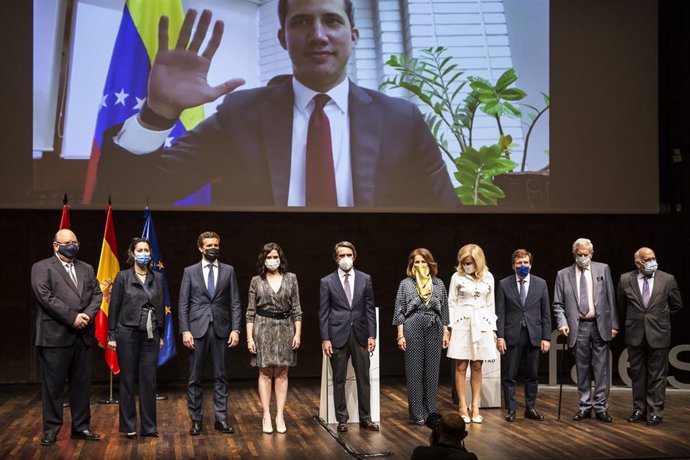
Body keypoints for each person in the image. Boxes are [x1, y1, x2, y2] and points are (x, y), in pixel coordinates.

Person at [94, 0, 458, 209]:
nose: (318, 35)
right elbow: (134, 195)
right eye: (302, 22)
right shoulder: (242, 115)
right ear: (283, 38)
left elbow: (446, 217)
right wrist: (157, 114)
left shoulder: (402, 120)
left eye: (332, 20)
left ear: (353, 35)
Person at [30, 229, 103, 446]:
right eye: (67, 242)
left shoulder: (87, 268)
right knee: (53, 386)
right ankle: (51, 429)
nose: (72, 245)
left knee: (81, 386)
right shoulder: (42, 267)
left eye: (75, 242)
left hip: (83, 336)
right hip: (54, 337)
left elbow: (97, 294)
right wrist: (73, 317)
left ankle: (81, 427)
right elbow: (45, 296)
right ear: (55, 245)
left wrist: (87, 316)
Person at [178, 231, 242, 435]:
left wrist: (236, 328)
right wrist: (185, 330)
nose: (213, 248)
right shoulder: (190, 271)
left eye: (216, 244)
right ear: (200, 248)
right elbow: (183, 304)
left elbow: (235, 302)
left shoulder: (228, 270)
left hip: (221, 329)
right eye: (209, 245)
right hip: (197, 330)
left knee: (221, 376)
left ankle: (221, 419)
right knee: (195, 377)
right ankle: (196, 420)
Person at [553, 237, 618, 423]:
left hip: (600, 325)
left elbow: (610, 298)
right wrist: (562, 322)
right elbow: (557, 304)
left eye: (585, 254)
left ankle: (601, 407)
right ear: (574, 254)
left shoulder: (602, 269)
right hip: (578, 325)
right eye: (579, 254)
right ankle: (584, 406)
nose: (582, 257)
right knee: (582, 368)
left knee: (601, 369)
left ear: (592, 254)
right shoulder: (563, 274)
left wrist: (614, 324)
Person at [617, 247, 682, 426]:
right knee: (637, 374)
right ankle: (639, 409)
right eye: (648, 259)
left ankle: (655, 412)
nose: (653, 261)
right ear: (638, 263)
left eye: (654, 257)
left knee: (657, 376)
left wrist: (660, 318)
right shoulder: (625, 279)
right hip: (635, 333)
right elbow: (621, 306)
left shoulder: (667, 279)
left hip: (658, 333)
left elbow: (676, 305)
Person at [107, 237, 165, 439]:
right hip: (127, 333)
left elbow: (160, 305)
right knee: (127, 380)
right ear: (132, 253)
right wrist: (112, 335)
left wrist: (161, 333)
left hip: (150, 334)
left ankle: (149, 427)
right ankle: (128, 426)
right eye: (139, 250)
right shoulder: (123, 277)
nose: (143, 253)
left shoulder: (157, 277)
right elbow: (114, 307)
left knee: (149, 380)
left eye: (146, 250)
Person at [319, 241, 379, 432]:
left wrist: (372, 335)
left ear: (354, 256)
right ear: (336, 258)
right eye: (342, 255)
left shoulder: (365, 279)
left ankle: (366, 418)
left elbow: (369, 308)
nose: (346, 259)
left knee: (364, 378)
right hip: (337, 334)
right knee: (338, 379)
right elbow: (323, 312)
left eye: (349, 255)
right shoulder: (327, 281)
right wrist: (325, 338)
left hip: (361, 334)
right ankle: (342, 419)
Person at [246, 243, 303, 434]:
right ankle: (266, 416)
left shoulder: (291, 279)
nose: (272, 260)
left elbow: (297, 309)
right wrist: (249, 338)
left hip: (285, 328)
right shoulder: (256, 281)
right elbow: (250, 312)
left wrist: (298, 333)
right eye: (269, 257)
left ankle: (279, 415)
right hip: (262, 329)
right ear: (264, 259)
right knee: (264, 373)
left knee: (282, 373)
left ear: (281, 258)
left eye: (275, 256)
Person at [393, 248, 450, 425]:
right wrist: (400, 335)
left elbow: (445, 310)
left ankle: (431, 410)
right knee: (414, 371)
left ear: (430, 263)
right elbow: (399, 310)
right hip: (413, 325)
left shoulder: (438, 283)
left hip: (434, 326)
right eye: (416, 262)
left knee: (432, 371)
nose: (420, 265)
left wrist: (446, 331)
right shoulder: (406, 284)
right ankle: (417, 413)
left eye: (423, 262)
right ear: (411, 265)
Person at [495, 249, 551, 422]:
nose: (523, 266)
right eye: (519, 263)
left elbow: (545, 313)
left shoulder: (540, 284)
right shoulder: (504, 284)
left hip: (534, 334)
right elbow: (500, 312)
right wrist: (500, 336)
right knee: (509, 374)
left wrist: (546, 337)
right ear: (513, 265)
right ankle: (511, 410)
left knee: (532, 374)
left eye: (526, 263)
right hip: (512, 334)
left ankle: (530, 408)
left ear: (530, 264)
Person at [446, 244, 496, 424]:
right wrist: (449, 327)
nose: (467, 265)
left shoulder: (488, 277)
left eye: (470, 262)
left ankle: (475, 405)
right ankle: (462, 405)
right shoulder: (456, 277)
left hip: (482, 323)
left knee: (477, 365)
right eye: (464, 262)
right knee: (460, 366)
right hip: (462, 323)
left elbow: (491, 304)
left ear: (478, 261)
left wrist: (493, 329)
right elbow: (451, 302)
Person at [410, 412, 478, 460]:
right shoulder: (468, 458)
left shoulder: (420, 453)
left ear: (439, 432)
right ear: (465, 435)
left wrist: (434, 443)